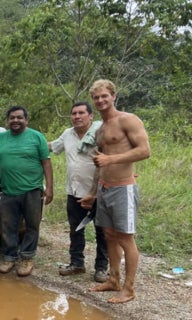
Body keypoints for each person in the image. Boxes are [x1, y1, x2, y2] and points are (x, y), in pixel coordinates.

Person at [80, 79, 150, 304]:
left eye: (104, 96)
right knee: (109, 235)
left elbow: (144, 151)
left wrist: (112, 158)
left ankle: (129, 289)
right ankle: (114, 279)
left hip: (123, 188)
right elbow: (99, 164)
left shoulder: (128, 120)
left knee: (126, 238)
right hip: (104, 189)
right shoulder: (100, 130)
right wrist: (92, 193)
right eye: (96, 97)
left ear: (113, 96)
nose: (100, 101)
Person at [0, 106, 53, 277]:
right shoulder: (1, 138)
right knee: (8, 226)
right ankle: (9, 257)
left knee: (32, 226)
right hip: (8, 191)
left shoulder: (37, 137)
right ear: (7, 120)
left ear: (26, 120)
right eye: (12, 118)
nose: (15, 121)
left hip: (32, 190)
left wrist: (50, 188)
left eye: (19, 117)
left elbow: (46, 163)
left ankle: (27, 258)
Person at [49, 102, 109, 282]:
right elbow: (52, 147)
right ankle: (77, 264)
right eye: (74, 113)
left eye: (81, 113)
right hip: (74, 191)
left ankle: (101, 269)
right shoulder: (68, 134)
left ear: (91, 116)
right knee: (75, 230)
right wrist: (28, 143)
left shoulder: (101, 133)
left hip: (100, 192)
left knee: (102, 232)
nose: (77, 116)